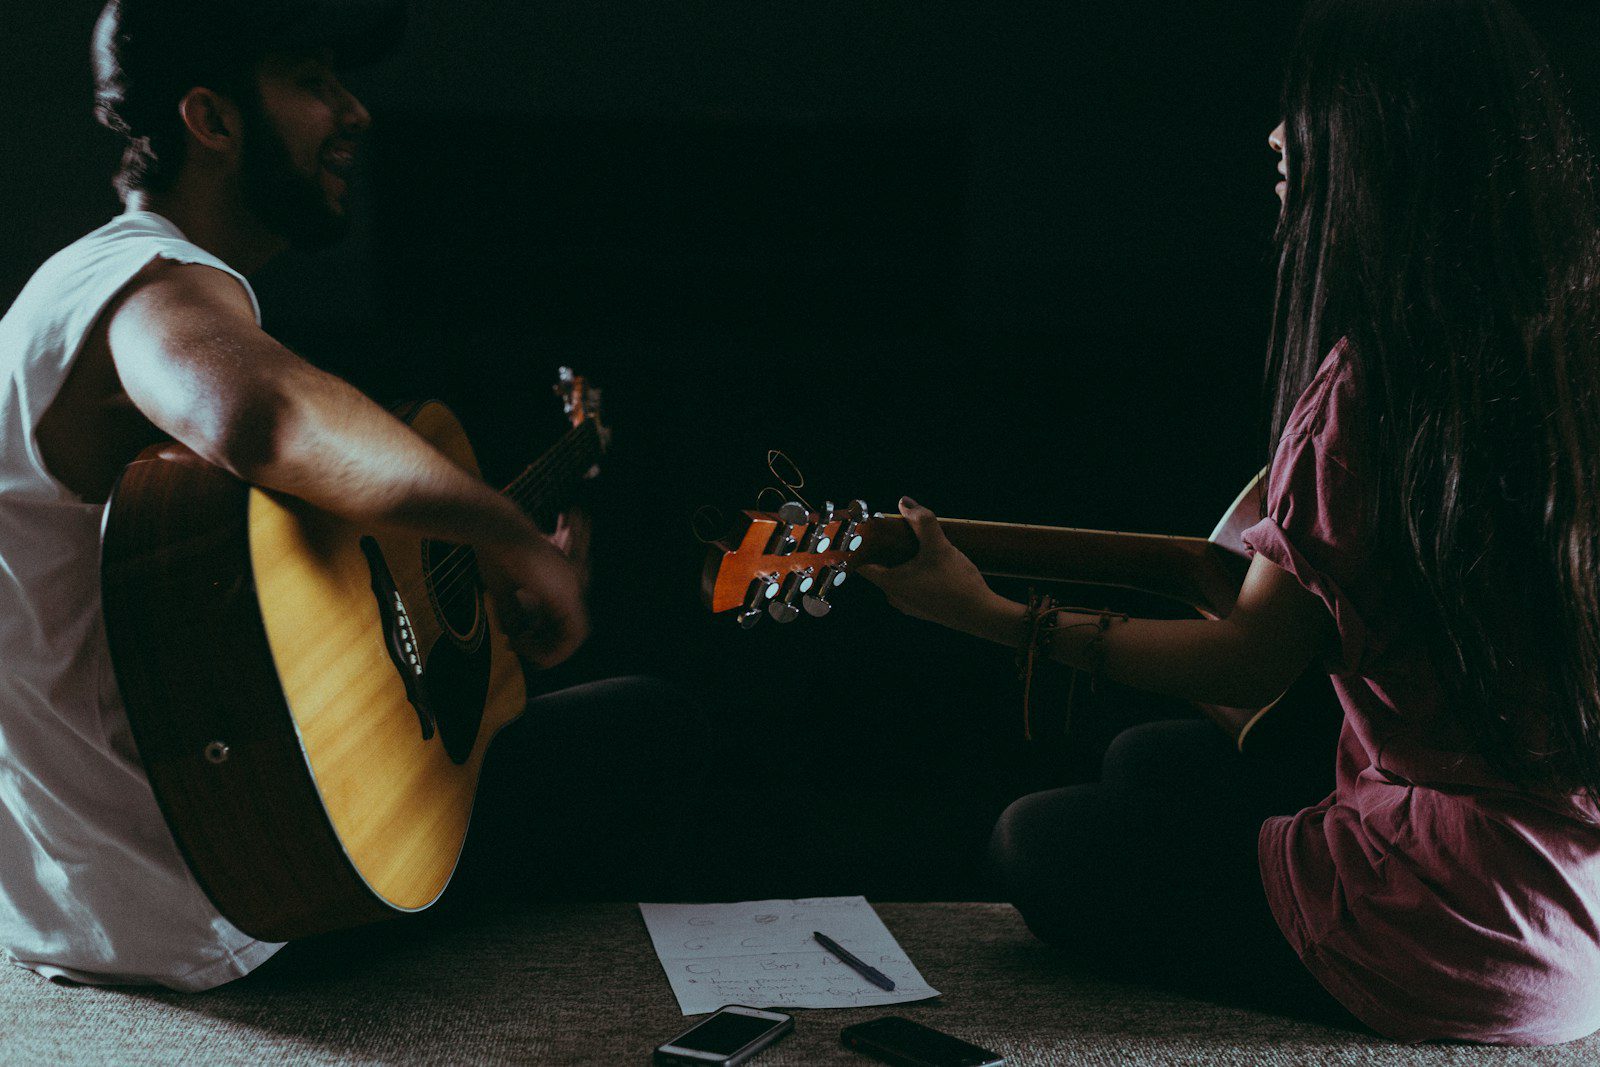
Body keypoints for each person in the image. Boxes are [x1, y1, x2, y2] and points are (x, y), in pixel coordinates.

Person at [860, 0, 1600, 1046]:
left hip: (1453, 934)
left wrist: (984, 613)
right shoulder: (1567, 346)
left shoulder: (1378, 390)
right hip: (1577, 901)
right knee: (1149, 761)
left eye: (1310, 107)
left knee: (1036, 837)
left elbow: (1249, 660)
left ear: (1386, 135)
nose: (1277, 135)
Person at [0, 0, 704, 993]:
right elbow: (262, 415)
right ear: (211, 118)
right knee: (656, 731)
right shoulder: (147, 278)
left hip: (119, 899)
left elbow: (234, 606)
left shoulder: (83, 287)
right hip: (238, 905)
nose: (354, 112)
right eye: (312, 81)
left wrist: (470, 585)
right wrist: (503, 530)